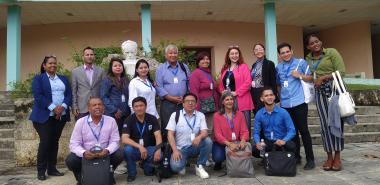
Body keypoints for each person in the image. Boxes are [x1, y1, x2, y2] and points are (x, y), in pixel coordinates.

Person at [305, 34, 346, 171]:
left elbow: (341, 71)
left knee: (336, 122)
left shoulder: (331, 52)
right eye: (312, 43)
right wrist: (301, 76)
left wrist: (323, 77)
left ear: (321, 42)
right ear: (308, 47)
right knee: (324, 124)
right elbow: (312, 76)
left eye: (317, 41)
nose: (315, 44)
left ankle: (338, 156)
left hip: (334, 90)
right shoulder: (308, 58)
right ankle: (329, 156)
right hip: (319, 93)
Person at [29, 55, 72, 180]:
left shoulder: (63, 79)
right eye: (50, 63)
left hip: (60, 116)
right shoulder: (39, 79)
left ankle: (52, 169)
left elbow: (69, 94)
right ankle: (41, 171)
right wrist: (53, 107)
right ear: (44, 65)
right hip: (44, 116)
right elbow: (38, 96)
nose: (53, 65)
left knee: (54, 142)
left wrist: (62, 107)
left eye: (54, 63)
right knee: (45, 142)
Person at [275, 42, 316, 170]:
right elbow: (279, 85)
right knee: (292, 133)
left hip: (299, 103)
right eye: (282, 53)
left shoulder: (301, 63)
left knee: (304, 131)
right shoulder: (278, 67)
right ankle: (296, 156)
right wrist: (279, 99)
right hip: (286, 105)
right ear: (279, 55)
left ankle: (310, 159)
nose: (285, 54)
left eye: (287, 51)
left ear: (292, 51)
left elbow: (311, 78)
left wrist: (300, 76)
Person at [65, 98, 124, 185]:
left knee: (120, 154)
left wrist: (107, 150)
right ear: (88, 109)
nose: (97, 107)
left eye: (100, 104)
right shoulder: (80, 122)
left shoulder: (111, 121)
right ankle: (82, 178)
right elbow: (74, 143)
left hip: (105, 153)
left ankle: (109, 174)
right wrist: (84, 153)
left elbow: (115, 141)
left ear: (103, 107)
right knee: (71, 160)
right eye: (94, 105)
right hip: (87, 154)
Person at [166, 93, 212, 179]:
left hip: (195, 146)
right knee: (176, 167)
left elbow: (205, 132)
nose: (190, 103)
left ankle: (200, 165)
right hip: (181, 149)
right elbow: (170, 134)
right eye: (187, 101)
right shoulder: (175, 115)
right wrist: (175, 150)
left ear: (196, 104)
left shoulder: (200, 115)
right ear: (183, 103)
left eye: (193, 101)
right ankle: (183, 162)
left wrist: (199, 137)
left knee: (208, 141)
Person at [122, 97, 162, 182]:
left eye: (141, 105)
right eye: (136, 106)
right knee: (127, 150)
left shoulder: (152, 118)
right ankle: (132, 174)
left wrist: (158, 149)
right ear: (133, 108)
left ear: (146, 106)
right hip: (135, 149)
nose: (139, 108)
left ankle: (145, 165)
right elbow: (124, 139)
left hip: (149, 148)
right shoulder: (128, 120)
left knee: (160, 155)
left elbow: (158, 135)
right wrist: (139, 147)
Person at [156, 44, 191, 139]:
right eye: (170, 53)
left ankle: (182, 149)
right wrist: (170, 98)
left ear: (178, 54)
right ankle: (168, 151)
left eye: (175, 53)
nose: (173, 55)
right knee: (168, 127)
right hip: (168, 103)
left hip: (183, 103)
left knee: (183, 127)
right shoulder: (161, 69)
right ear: (166, 55)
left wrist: (186, 98)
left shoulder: (184, 67)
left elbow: (189, 84)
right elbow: (159, 87)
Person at [219, 45, 253, 137]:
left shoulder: (243, 67)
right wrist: (222, 92)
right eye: (232, 53)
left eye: (236, 53)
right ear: (228, 56)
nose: (234, 55)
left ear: (239, 55)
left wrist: (236, 92)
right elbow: (221, 85)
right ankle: (233, 146)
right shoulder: (225, 69)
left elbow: (248, 82)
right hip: (228, 100)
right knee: (231, 124)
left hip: (241, 99)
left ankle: (245, 145)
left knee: (244, 125)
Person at [253, 87, 296, 157]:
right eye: (266, 96)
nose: (269, 97)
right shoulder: (259, 114)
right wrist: (258, 143)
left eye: (271, 95)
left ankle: (281, 158)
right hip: (269, 142)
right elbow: (256, 132)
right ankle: (269, 159)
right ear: (262, 99)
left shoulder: (283, 112)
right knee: (255, 150)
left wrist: (284, 140)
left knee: (292, 146)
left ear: (274, 97)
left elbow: (292, 130)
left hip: (282, 140)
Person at [212, 91, 249, 170]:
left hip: (237, 142)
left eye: (231, 99)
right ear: (222, 102)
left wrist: (243, 140)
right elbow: (217, 134)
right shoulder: (217, 115)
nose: (230, 101)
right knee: (218, 157)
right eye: (227, 100)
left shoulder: (240, 114)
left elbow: (245, 130)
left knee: (245, 147)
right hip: (222, 143)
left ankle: (235, 161)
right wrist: (229, 144)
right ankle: (220, 161)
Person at [189, 51, 220, 133]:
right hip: (203, 108)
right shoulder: (195, 74)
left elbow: (215, 88)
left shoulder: (209, 73)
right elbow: (194, 92)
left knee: (212, 130)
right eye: (202, 59)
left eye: (207, 59)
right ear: (198, 62)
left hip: (213, 107)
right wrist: (196, 109)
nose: (205, 61)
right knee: (205, 130)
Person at [71, 46, 105, 120]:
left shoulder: (101, 71)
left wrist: (103, 106)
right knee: (82, 130)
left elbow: (103, 90)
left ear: (94, 56)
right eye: (87, 55)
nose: (89, 56)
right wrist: (74, 106)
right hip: (82, 107)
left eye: (91, 54)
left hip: (97, 107)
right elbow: (74, 91)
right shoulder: (75, 72)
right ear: (83, 57)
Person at [100, 57, 131, 136]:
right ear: (111, 67)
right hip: (113, 113)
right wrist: (114, 110)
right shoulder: (107, 80)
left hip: (126, 112)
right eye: (115, 66)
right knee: (113, 136)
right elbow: (104, 97)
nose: (118, 67)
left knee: (124, 135)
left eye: (120, 65)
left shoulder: (126, 79)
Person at [250, 43, 278, 114]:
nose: (258, 51)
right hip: (254, 93)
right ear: (254, 52)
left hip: (264, 92)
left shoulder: (269, 63)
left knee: (265, 113)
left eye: (260, 49)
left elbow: (273, 81)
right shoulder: (254, 65)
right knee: (257, 113)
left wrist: (274, 95)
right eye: (256, 50)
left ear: (264, 51)